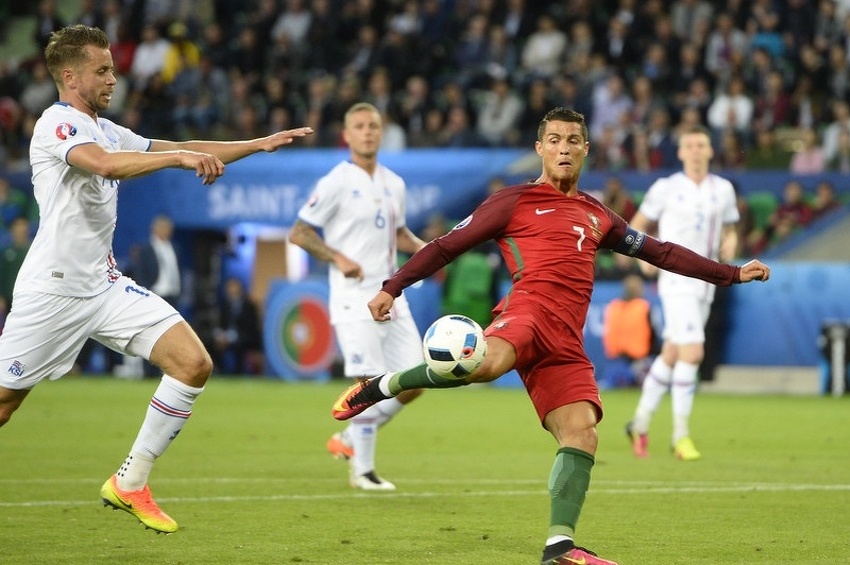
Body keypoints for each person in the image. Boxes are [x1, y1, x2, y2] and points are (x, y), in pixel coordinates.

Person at [330, 107, 770, 565]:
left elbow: (661, 252)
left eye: (573, 141)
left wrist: (731, 273)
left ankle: (560, 546)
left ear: (585, 149)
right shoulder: (512, 202)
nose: (563, 148)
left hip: (566, 340)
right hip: (527, 313)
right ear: (540, 148)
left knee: (582, 433)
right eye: (554, 140)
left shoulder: (599, 215)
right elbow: (446, 246)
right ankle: (382, 386)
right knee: (483, 365)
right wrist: (392, 287)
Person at [0, 25, 312, 534]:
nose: (112, 78)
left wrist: (257, 144)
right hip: (52, 290)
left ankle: (130, 481)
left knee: (193, 363)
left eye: (112, 69)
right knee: (4, 405)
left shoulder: (108, 128)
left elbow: (183, 143)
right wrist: (176, 159)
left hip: (102, 286)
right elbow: (105, 166)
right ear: (70, 75)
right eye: (101, 70)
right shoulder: (56, 124)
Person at [288, 102, 426, 491]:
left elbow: (398, 234)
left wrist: (427, 250)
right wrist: (338, 257)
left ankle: (350, 437)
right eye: (360, 126)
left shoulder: (394, 183)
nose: (368, 132)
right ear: (347, 135)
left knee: (417, 378)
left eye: (374, 126)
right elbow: (299, 233)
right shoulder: (335, 181)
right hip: (352, 296)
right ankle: (363, 470)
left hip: (391, 294)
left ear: (382, 133)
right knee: (370, 382)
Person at [626, 125, 740, 462]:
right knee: (692, 353)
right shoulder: (666, 188)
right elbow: (636, 225)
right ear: (679, 152)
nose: (694, 150)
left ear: (709, 150)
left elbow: (730, 230)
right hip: (675, 278)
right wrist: (643, 257)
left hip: (706, 283)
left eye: (700, 144)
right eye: (688, 145)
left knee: (674, 353)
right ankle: (680, 436)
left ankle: (640, 423)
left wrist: (728, 250)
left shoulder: (724, 189)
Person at [212, 276, 264, 375]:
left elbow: (251, 327)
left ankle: (238, 372)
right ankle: (219, 370)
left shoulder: (249, 305)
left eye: (233, 287)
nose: (231, 290)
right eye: (229, 287)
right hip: (227, 336)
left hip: (245, 336)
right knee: (214, 343)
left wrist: (233, 336)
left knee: (239, 344)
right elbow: (221, 323)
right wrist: (222, 334)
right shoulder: (225, 305)